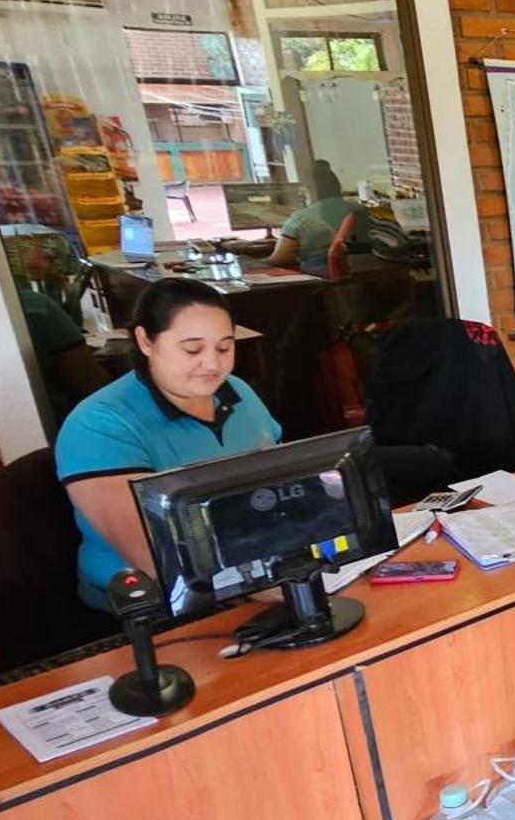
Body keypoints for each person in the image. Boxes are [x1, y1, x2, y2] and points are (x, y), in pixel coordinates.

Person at [55, 276, 282, 609]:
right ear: (146, 341)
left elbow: (281, 489)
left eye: (224, 346)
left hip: (255, 575)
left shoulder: (237, 392)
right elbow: (152, 554)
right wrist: (255, 585)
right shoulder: (99, 425)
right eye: (192, 349)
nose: (213, 364)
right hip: (151, 608)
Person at [268, 160, 365, 278]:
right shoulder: (361, 211)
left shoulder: (300, 219)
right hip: (361, 277)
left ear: (309, 191)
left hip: (321, 281)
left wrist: (253, 263)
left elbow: (281, 260)